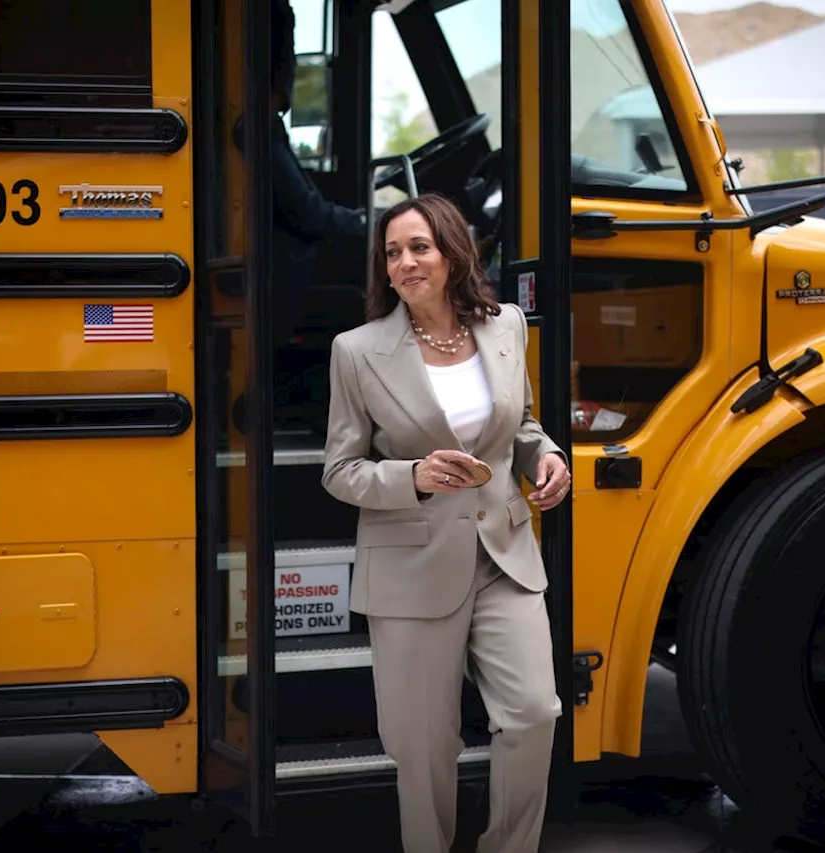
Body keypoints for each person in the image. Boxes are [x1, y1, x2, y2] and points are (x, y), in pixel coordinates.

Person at [321, 193, 570, 853]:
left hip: (504, 552)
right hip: (409, 562)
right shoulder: (357, 351)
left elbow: (522, 426)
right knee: (424, 746)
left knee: (534, 713)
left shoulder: (506, 326)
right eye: (393, 252)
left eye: (418, 247)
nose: (404, 262)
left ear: (452, 252)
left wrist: (546, 457)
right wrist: (412, 477)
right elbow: (340, 469)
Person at [269, 0, 366, 345]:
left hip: (275, 276)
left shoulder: (260, 127)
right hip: (275, 287)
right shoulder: (257, 129)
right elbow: (306, 213)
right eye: (290, 57)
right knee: (360, 309)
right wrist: (364, 223)